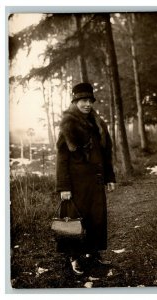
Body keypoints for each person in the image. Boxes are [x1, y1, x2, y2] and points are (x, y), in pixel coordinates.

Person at [55, 82, 116, 275]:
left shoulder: (98, 123)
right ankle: (74, 258)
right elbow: (62, 158)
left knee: (96, 220)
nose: (87, 104)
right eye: (83, 100)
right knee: (74, 221)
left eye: (90, 100)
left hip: (96, 182)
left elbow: (106, 154)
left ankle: (93, 255)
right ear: (75, 101)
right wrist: (64, 187)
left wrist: (110, 177)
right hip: (76, 184)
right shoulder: (69, 124)